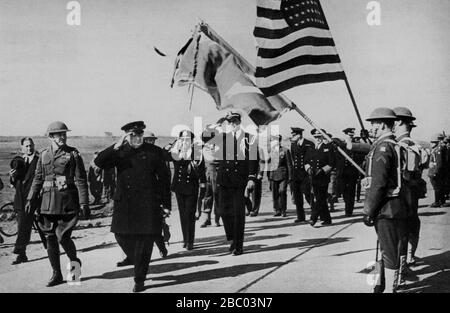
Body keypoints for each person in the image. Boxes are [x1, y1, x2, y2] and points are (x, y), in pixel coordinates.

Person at [94, 121, 171, 292]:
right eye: (132, 135)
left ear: (143, 134)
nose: (137, 138)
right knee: (120, 236)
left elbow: (164, 180)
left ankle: (139, 279)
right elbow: (99, 162)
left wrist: (166, 205)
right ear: (127, 136)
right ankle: (137, 260)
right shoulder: (120, 151)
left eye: (139, 135)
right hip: (125, 204)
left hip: (148, 204)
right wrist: (116, 145)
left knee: (145, 242)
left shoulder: (155, 152)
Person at [26, 121, 89, 287]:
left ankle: (74, 264)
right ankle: (56, 274)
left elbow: (81, 180)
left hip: (67, 202)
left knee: (63, 237)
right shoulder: (44, 155)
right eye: (58, 134)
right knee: (50, 238)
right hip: (47, 203)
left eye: (64, 134)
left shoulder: (73, 154)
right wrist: (31, 198)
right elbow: (38, 178)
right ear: (50, 137)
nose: (62, 137)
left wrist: (84, 203)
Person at [361, 108, 408, 293]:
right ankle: (381, 287)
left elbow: (379, 184)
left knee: (388, 253)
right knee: (387, 249)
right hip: (393, 206)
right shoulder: (390, 144)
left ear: (381, 124)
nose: (371, 127)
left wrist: (368, 210)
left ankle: (390, 290)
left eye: (373, 123)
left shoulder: (382, 147)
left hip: (386, 207)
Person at [393, 107, 429, 288]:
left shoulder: (403, 146)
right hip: (410, 197)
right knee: (411, 225)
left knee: (401, 230)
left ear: (399, 122)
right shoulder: (414, 145)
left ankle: (401, 268)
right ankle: (408, 257)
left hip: (403, 197)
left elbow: (406, 175)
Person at [216, 112, 259, 255]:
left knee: (238, 214)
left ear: (239, 122)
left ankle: (239, 245)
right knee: (223, 211)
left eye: (234, 121)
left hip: (239, 181)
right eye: (230, 122)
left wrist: (251, 178)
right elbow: (205, 138)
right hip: (224, 181)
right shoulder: (223, 138)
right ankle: (233, 238)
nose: (232, 124)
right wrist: (218, 124)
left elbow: (253, 160)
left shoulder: (249, 138)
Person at [167, 130, 206, 250]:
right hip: (179, 186)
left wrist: (203, 183)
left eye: (187, 139)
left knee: (190, 213)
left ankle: (190, 241)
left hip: (191, 187)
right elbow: (164, 156)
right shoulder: (175, 151)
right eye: (182, 138)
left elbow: (201, 169)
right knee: (183, 214)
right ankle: (185, 239)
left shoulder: (196, 152)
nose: (185, 141)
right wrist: (170, 146)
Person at [9, 137, 39, 264]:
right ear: (22, 148)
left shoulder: (39, 161)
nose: (29, 148)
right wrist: (12, 177)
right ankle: (22, 254)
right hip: (20, 199)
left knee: (29, 225)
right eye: (26, 146)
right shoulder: (19, 162)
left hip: (33, 198)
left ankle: (19, 250)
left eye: (31, 145)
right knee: (23, 225)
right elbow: (16, 184)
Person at [144, 131, 168, 257]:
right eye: (148, 140)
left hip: (154, 193)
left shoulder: (158, 152)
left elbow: (164, 176)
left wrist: (165, 201)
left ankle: (161, 246)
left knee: (154, 225)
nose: (150, 142)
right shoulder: (137, 153)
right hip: (139, 194)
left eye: (152, 140)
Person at [305, 129, 335, 226]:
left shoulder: (328, 148)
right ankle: (327, 219)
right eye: (316, 137)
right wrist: (308, 169)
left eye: (319, 137)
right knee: (320, 198)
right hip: (313, 177)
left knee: (320, 198)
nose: (317, 139)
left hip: (323, 177)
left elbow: (332, 163)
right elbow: (306, 161)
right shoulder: (311, 148)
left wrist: (322, 170)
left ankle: (313, 218)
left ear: (323, 137)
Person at [287, 127, 314, 223]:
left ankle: (314, 214)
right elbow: (293, 159)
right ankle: (300, 216)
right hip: (296, 173)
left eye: (294, 135)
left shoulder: (308, 143)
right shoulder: (293, 145)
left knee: (307, 194)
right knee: (297, 196)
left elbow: (311, 158)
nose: (292, 137)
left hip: (305, 173)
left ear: (299, 135)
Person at [200, 122, 223, 227]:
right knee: (206, 194)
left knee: (217, 194)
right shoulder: (205, 143)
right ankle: (206, 218)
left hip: (218, 170)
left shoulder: (222, 143)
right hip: (207, 170)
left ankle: (217, 218)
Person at [339, 128, 364, 216]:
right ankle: (347, 205)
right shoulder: (341, 144)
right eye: (349, 135)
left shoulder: (356, 144)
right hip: (342, 171)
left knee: (351, 191)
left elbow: (361, 156)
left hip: (352, 171)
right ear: (345, 135)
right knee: (343, 190)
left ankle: (349, 211)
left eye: (352, 135)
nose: (351, 137)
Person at [267, 135, 291, 217]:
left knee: (282, 191)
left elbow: (289, 164)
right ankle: (277, 210)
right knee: (275, 193)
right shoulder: (270, 151)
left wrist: (290, 177)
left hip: (283, 175)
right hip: (273, 175)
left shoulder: (285, 150)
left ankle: (283, 210)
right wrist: (268, 177)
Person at [428, 133, 446, 207]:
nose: (431, 144)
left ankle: (437, 202)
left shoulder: (438, 150)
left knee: (437, 187)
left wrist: (436, 172)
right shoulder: (436, 149)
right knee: (439, 187)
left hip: (436, 171)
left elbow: (439, 163)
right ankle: (441, 201)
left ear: (436, 142)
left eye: (433, 142)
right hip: (436, 170)